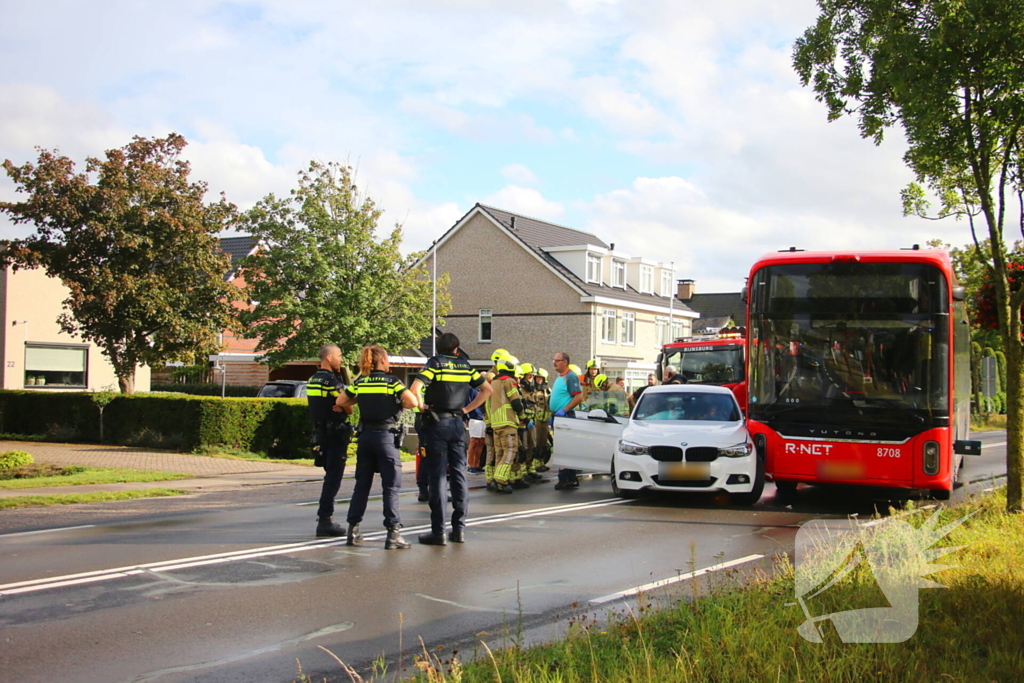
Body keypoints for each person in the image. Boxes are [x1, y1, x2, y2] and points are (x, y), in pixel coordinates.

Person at [409, 333, 492, 545]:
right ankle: (459, 529)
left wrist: (422, 407)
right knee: (458, 475)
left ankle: (438, 532)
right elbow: (487, 389)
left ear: (439, 348)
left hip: (437, 424)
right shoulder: (465, 366)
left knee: (437, 477)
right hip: (457, 424)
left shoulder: (435, 363)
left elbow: (415, 388)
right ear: (457, 348)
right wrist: (466, 409)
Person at [337, 345, 418, 550]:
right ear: (382, 360)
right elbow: (412, 401)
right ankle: (393, 534)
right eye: (388, 359)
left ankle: (353, 531)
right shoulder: (392, 381)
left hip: (365, 438)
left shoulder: (361, 382)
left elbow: (341, 400)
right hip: (386, 438)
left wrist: (362, 399)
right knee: (390, 487)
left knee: (361, 486)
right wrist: (396, 401)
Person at [306, 343, 354, 538]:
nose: (341, 359)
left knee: (329, 475)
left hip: (321, 434)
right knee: (333, 479)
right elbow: (349, 407)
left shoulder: (312, 380)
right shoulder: (332, 382)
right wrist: (344, 407)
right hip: (335, 434)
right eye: (339, 356)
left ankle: (325, 518)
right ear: (328, 358)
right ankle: (325, 520)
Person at [485, 354, 526, 494]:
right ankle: (500, 480)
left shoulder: (493, 382)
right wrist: (523, 417)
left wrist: (489, 423)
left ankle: (499, 480)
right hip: (508, 422)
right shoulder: (509, 381)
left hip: (496, 423)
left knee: (500, 453)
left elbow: (486, 404)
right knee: (510, 451)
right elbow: (515, 402)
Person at [550, 352, 584, 490]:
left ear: (565, 362)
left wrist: (564, 410)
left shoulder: (570, 377)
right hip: (558, 416)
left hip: (565, 416)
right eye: (554, 360)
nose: (554, 362)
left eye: (557, 360)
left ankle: (565, 478)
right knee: (564, 447)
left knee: (563, 447)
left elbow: (578, 397)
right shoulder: (560, 377)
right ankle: (570, 478)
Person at [532, 367, 552, 472]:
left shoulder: (548, 391)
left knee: (543, 443)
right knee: (536, 442)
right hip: (536, 421)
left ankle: (540, 463)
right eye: (537, 378)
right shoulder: (532, 391)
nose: (539, 380)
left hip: (545, 420)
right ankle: (534, 464)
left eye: (541, 378)